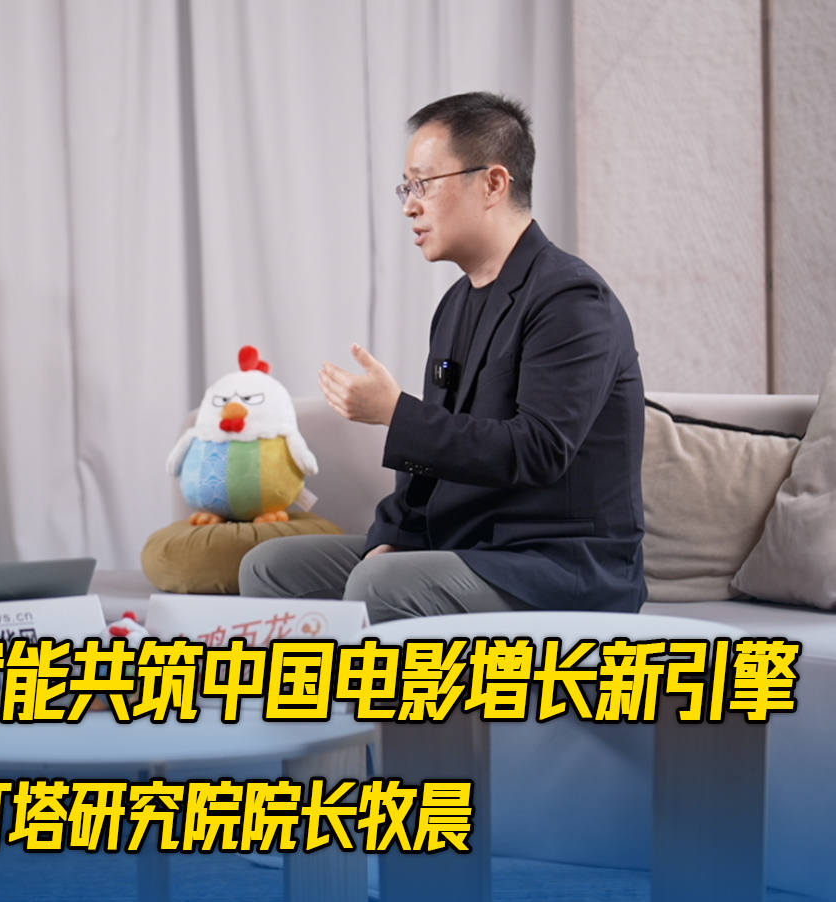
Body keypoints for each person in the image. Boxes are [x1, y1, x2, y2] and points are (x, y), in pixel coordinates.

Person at [240, 91, 646, 621]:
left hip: (556, 565)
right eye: (406, 187)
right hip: (465, 546)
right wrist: (392, 536)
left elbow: (539, 450)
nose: (409, 205)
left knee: (379, 584)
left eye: (424, 183)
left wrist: (395, 413)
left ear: (494, 183)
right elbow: (428, 465)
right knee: (267, 567)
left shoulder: (572, 299)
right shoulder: (455, 304)